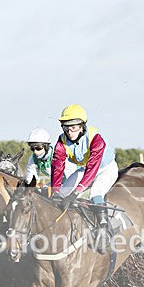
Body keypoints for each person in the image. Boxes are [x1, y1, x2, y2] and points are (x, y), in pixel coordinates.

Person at [51, 104, 119, 248]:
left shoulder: (96, 138)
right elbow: (57, 167)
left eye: (73, 127)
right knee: (61, 193)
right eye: (66, 127)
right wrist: (56, 191)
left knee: (95, 193)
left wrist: (76, 193)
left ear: (82, 126)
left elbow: (92, 169)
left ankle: (104, 229)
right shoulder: (61, 141)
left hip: (105, 168)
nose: (69, 131)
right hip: (84, 169)